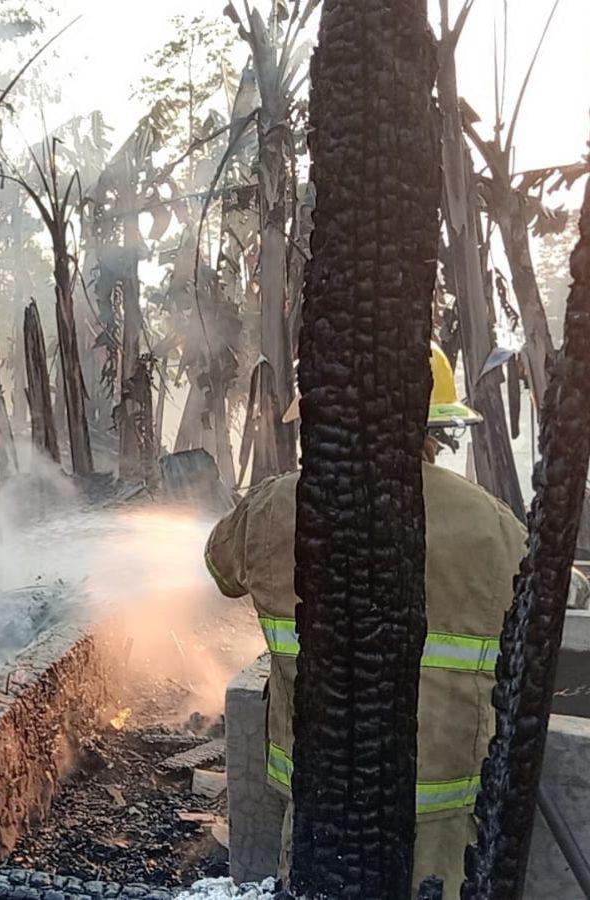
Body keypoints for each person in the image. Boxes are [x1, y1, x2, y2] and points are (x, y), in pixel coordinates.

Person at [204, 344, 589, 897]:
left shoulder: (273, 507)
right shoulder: (491, 526)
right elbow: (562, 594)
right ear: (436, 427)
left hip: (319, 806)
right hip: (439, 821)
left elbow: (221, 570)